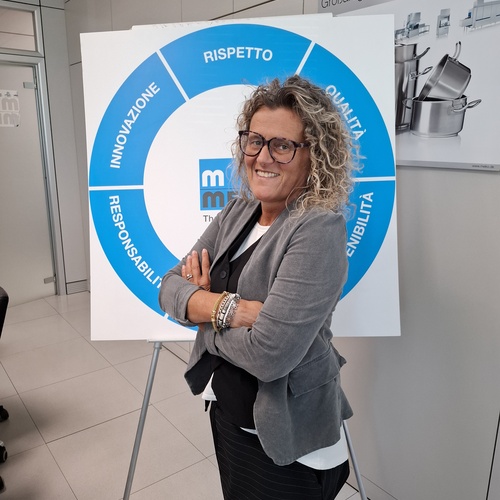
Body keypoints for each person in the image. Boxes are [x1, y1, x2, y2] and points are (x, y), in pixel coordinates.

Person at [159, 74, 356, 500]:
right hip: (228, 412)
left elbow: (270, 356)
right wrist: (235, 311)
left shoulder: (318, 229)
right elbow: (168, 287)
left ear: (315, 155)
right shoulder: (238, 210)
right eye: (255, 140)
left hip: (288, 443)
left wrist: (205, 312)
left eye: (282, 145)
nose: (263, 157)